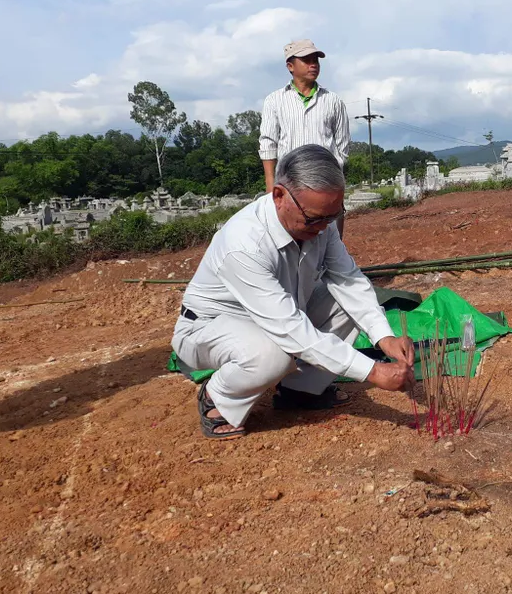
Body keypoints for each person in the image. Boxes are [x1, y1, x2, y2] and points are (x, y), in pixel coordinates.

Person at [172, 144, 414, 440]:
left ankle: (301, 391)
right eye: (313, 219)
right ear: (279, 195)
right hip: (207, 328)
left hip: (279, 313)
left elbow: (348, 280)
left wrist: (384, 338)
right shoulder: (244, 244)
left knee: (345, 303)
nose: (322, 228)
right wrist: (373, 371)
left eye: (332, 216)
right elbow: (289, 329)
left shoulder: (321, 222)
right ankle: (217, 397)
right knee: (272, 355)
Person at [259, 39, 351, 236]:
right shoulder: (275, 100)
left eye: (315, 60)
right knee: (289, 237)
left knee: (329, 239)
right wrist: (270, 185)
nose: (313, 65)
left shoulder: (333, 101)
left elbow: (342, 147)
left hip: (325, 185)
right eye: (307, 60)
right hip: (289, 184)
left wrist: (331, 179)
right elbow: (268, 144)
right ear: (290, 66)